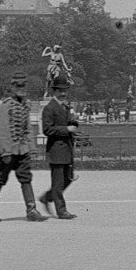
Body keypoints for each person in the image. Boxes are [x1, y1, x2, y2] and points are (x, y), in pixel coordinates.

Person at [0, 73, 47, 222]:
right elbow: (1, 130)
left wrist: (32, 148)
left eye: (23, 85)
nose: (21, 89)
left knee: (26, 178)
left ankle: (31, 209)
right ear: (12, 87)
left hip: (22, 150)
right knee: (0, 179)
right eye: (18, 86)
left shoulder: (25, 105)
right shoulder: (4, 106)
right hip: (8, 151)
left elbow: (28, 129)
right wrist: (5, 152)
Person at [37, 73, 80, 219]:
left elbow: (67, 124)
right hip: (56, 149)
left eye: (65, 90)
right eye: (60, 90)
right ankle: (61, 211)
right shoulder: (49, 108)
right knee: (58, 181)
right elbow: (47, 129)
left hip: (66, 148)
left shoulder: (65, 107)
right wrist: (66, 130)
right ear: (53, 91)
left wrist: (73, 124)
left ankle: (47, 197)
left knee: (69, 178)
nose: (63, 93)